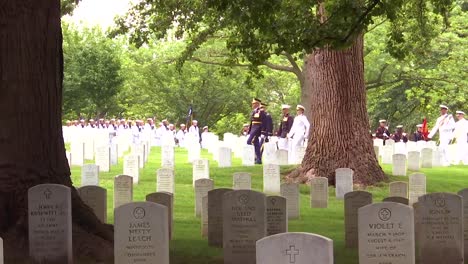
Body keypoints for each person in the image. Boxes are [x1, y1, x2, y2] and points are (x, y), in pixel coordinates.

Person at [247, 98, 266, 164]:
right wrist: (249, 131)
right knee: (256, 144)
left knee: (249, 141)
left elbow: (264, 122)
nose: (252, 104)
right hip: (253, 129)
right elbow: (251, 122)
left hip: (257, 130)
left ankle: (254, 157)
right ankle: (258, 159)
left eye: (254, 103)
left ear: (257, 104)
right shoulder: (254, 111)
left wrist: (263, 132)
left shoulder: (261, 111)